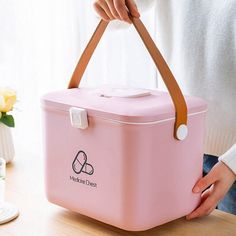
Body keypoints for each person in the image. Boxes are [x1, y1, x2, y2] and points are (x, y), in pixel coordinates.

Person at [93, 0, 236, 219]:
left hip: (231, 162)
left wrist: (233, 162)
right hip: (175, 142)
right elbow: (115, 17)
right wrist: (107, 5)